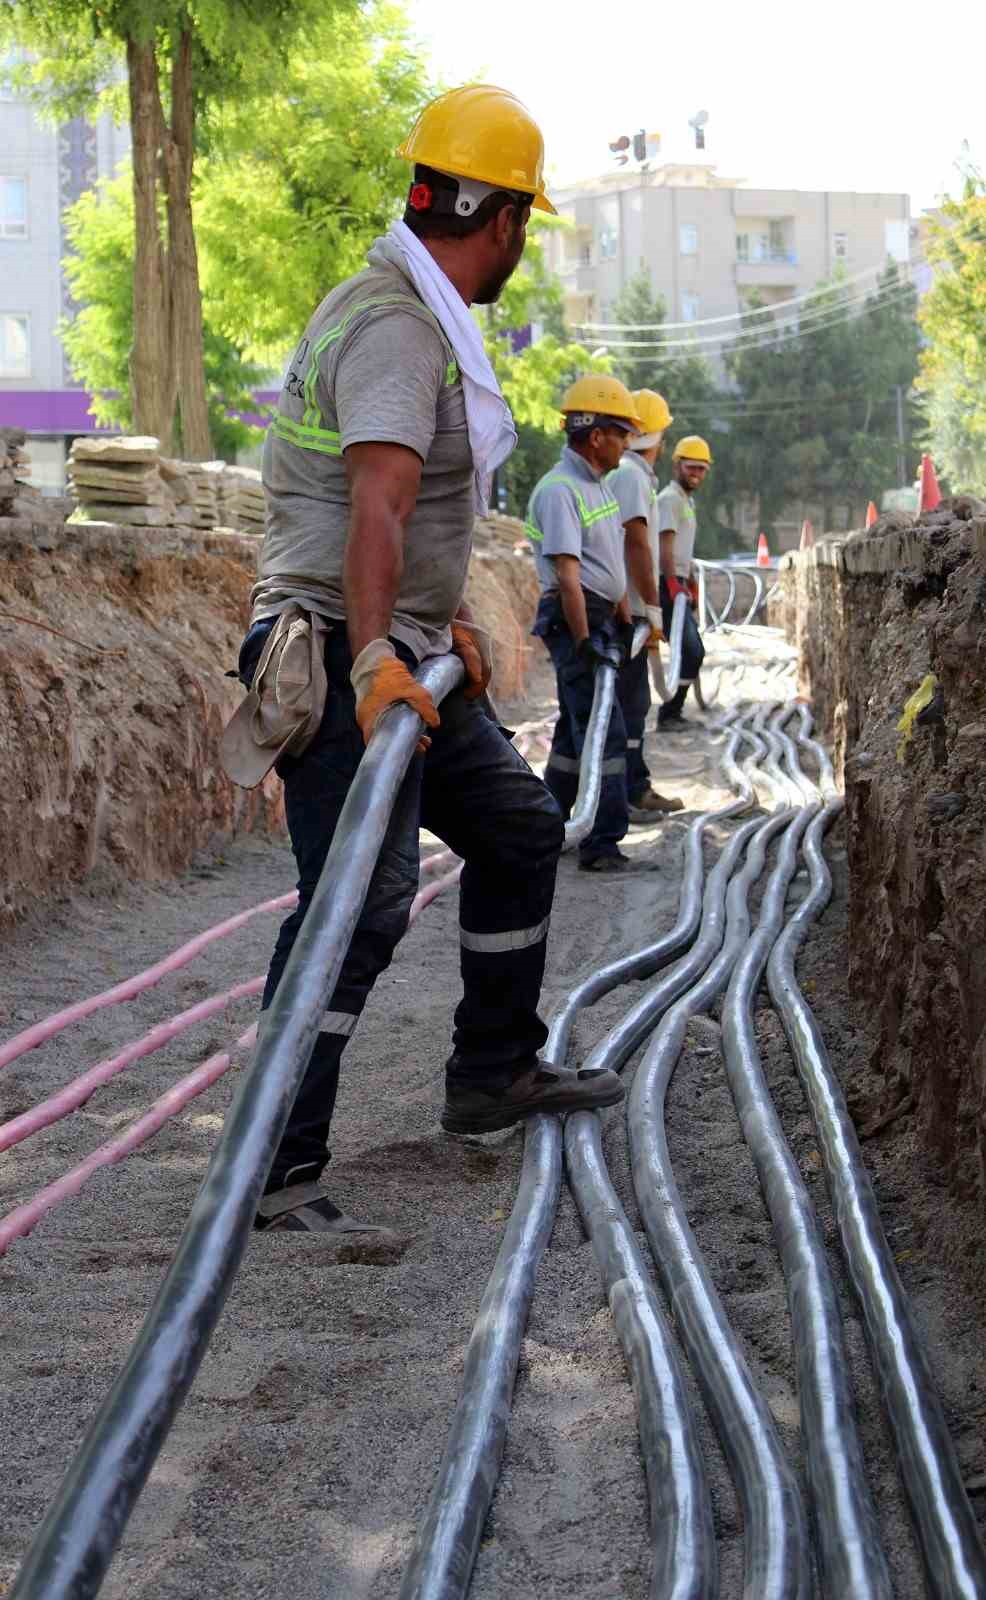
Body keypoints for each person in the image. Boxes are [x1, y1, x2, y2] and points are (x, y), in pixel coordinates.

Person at [227, 86, 625, 1236]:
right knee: (362, 896)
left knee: (514, 826)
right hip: (341, 653)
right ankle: (270, 1163)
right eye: (523, 223)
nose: (520, 245)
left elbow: (402, 523)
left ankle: (491, 1071)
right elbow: (377, 508)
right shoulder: (402, 326)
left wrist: (427, 620)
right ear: (496, 219)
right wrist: (369, 660)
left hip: (394, 643)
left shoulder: (407, 310)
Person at [526, 374, 643, 873]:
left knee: (577, 734)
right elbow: (569, 577)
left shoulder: (597, 487)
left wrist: (625, 614)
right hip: (577, 621)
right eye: (621, 433)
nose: (626, 444)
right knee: (604, 733)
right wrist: (582, 641)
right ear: (596, 435)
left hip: (599, 617)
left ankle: (548, 828)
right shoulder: (560, 491)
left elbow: (607, 562)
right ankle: (600, 842)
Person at [607, 388, 684, 821]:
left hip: (628, 607)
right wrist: (652, 609)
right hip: (628, 611)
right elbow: (636, 542)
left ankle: (633, 787)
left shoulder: (629, 474)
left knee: (630, 704)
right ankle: (629, 792)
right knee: (629, 705)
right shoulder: (632, 476)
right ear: (656, 437)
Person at [655, 435, 711, 731]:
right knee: (691, 650)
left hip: (677, 582)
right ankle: (669, 713)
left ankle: (672, 711)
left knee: (691, 650)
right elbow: (665, 546)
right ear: (677, 465)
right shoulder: (669, 499)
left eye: (702, 469)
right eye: (691, 467)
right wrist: (673, 583)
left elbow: (682, 548)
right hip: (666, 585)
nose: (696, 474)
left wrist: (688, 580)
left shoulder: (685, 500)